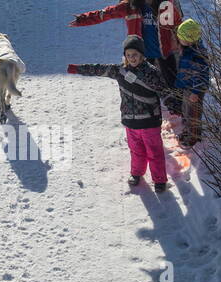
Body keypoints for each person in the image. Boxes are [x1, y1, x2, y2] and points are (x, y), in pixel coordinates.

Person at [66, 35, 170, 192]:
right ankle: (136, 173)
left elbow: (164, 91)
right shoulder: (120, 71)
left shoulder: (151, 72)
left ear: (141, 54)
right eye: (128, 55)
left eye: (135, 54)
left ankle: (160, 180)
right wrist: (78, 68)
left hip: (150, 120)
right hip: (130, 121)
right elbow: (99, 69)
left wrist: (174, 104)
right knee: (136, 150)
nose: (132, 58)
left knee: (154, 152)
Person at [70, 0, 181, 90]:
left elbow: (179, 27)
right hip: (140, 57)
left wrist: (188, 45)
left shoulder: (165, 6)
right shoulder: (131, 5)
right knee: (140, 89)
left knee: (172, 89)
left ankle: (173, 109)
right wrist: (83, 19)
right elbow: (107, 13)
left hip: (164, 55)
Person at [169, 19, 210, 145]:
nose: (178, 40)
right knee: (186, 110)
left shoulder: (197, 54)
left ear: (189, 39)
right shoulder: (188, 49)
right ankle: (188, 131)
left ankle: (192, 137)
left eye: (180, 38)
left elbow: (202, 75)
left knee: (193, 114)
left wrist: (195, 91)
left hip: (194, 91)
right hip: (188, 87)